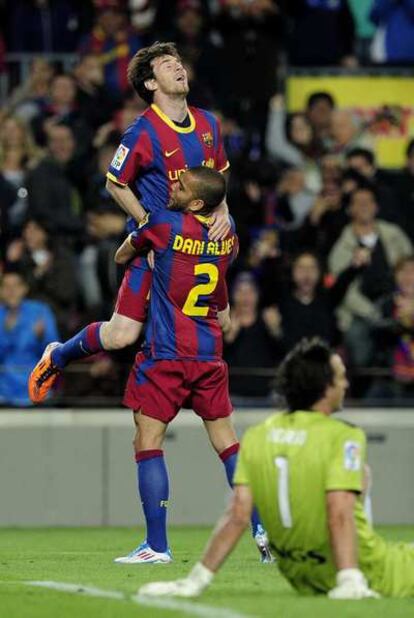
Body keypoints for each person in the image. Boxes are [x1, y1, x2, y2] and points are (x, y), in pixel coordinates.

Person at [28, 41, 231, 403]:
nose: (178, 67)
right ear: (150, 84)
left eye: (178, 61)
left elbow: (219, 176)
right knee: (122, 335)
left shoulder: (209, 123)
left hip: (197, 248)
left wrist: (224, 211)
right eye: (167, 65)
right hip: (156, 245)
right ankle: (57, 355)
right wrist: (147, 225)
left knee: (224, 325)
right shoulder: (143, 131)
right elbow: (114, 182)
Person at [139, 337, 414, 600]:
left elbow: (237, 514)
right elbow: (339, 513)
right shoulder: (343, 437)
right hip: (372, 571)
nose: (345, 383)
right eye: (340, 376)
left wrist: (195, 581)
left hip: (304, 575)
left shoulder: (259, 436)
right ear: (325, 387)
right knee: (361, 474)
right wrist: (350, 578)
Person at [112, 167, 271, 563]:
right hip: (209, 355)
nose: (172, 185)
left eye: (181, 185)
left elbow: (122, 255)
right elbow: (221, 307)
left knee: (147, 442)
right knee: (228, 445)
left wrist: (145, 246)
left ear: (197, 202)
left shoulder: (164, 224)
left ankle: (157, 546)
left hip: (167, 353)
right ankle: (264, 530)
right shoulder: (226, 236)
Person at [0, 269, 58, 407]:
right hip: (4, 392)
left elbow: (55, 352)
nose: (11, 290)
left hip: (38, 389)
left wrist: (41, 338)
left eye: (16, 286)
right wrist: (7, 332)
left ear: (24, 288)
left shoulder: (40, 311)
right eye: (6, 287)